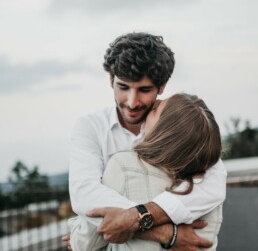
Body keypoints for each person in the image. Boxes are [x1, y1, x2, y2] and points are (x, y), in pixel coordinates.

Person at [65, 32, 226, 250]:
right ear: (110, 80)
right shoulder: (90, 126)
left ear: (162, 87)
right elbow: (85, 195)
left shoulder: (179, 121)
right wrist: (165, 232)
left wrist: (134, 218)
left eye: (144, 90)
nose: (132, 102)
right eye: (123, 87)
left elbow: (213, 183)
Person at [70, 93, 225, 251]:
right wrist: (167, 234)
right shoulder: (208, 186)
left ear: (163, 132)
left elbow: (85, 243)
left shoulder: (124, 167)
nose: (154, 103)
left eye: (156, 110)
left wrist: (76, 231)